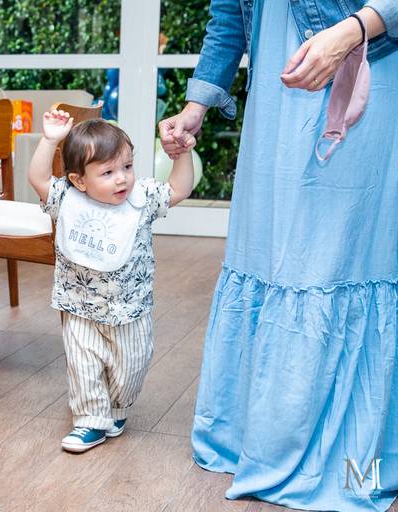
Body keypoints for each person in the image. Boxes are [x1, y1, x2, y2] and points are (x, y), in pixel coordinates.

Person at [159, 0, 397, 509]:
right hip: (277, 95)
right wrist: (195, 108)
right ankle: (266, 444)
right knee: (270, 255)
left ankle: (359, 462)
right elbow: (228, 19)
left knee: (336, 260)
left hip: (370, 72)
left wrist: (351, 31)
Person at [29, 110, 196, 453]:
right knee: (82, 362)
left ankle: (117, 407)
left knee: (131, 366)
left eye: (127, 167)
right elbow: (38, 178)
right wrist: (49, 140)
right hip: (79, 306)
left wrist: (182, 154)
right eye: (107, 172)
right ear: (79, 180)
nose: (122, 179)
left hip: (130, 309)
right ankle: (90, 419)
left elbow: (180, 188)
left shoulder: (142, 200)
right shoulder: (66, 198)